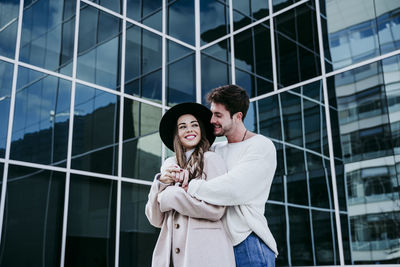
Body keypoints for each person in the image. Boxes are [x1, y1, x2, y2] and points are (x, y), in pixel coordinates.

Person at [166, 85, 278, 266]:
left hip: (248, 243)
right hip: (219, 245)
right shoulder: (216, 149)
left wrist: (191, 186)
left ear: (238, 116)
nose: (211, 120)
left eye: (218, 115)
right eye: (212, 114)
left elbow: (234, 189)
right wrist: (168, 168)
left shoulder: (261, 146)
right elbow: (183, 158)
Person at [145, 102, 236, 267]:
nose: (189, 130)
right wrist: (160, 184)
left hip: (205, 255)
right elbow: (155, 219)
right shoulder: (170, 167)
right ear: (177, 133)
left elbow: (217, 210)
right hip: (171, 257)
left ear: (201, 130)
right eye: (183, 126)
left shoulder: (211, 159)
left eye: (194, 125)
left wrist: (174, 196)